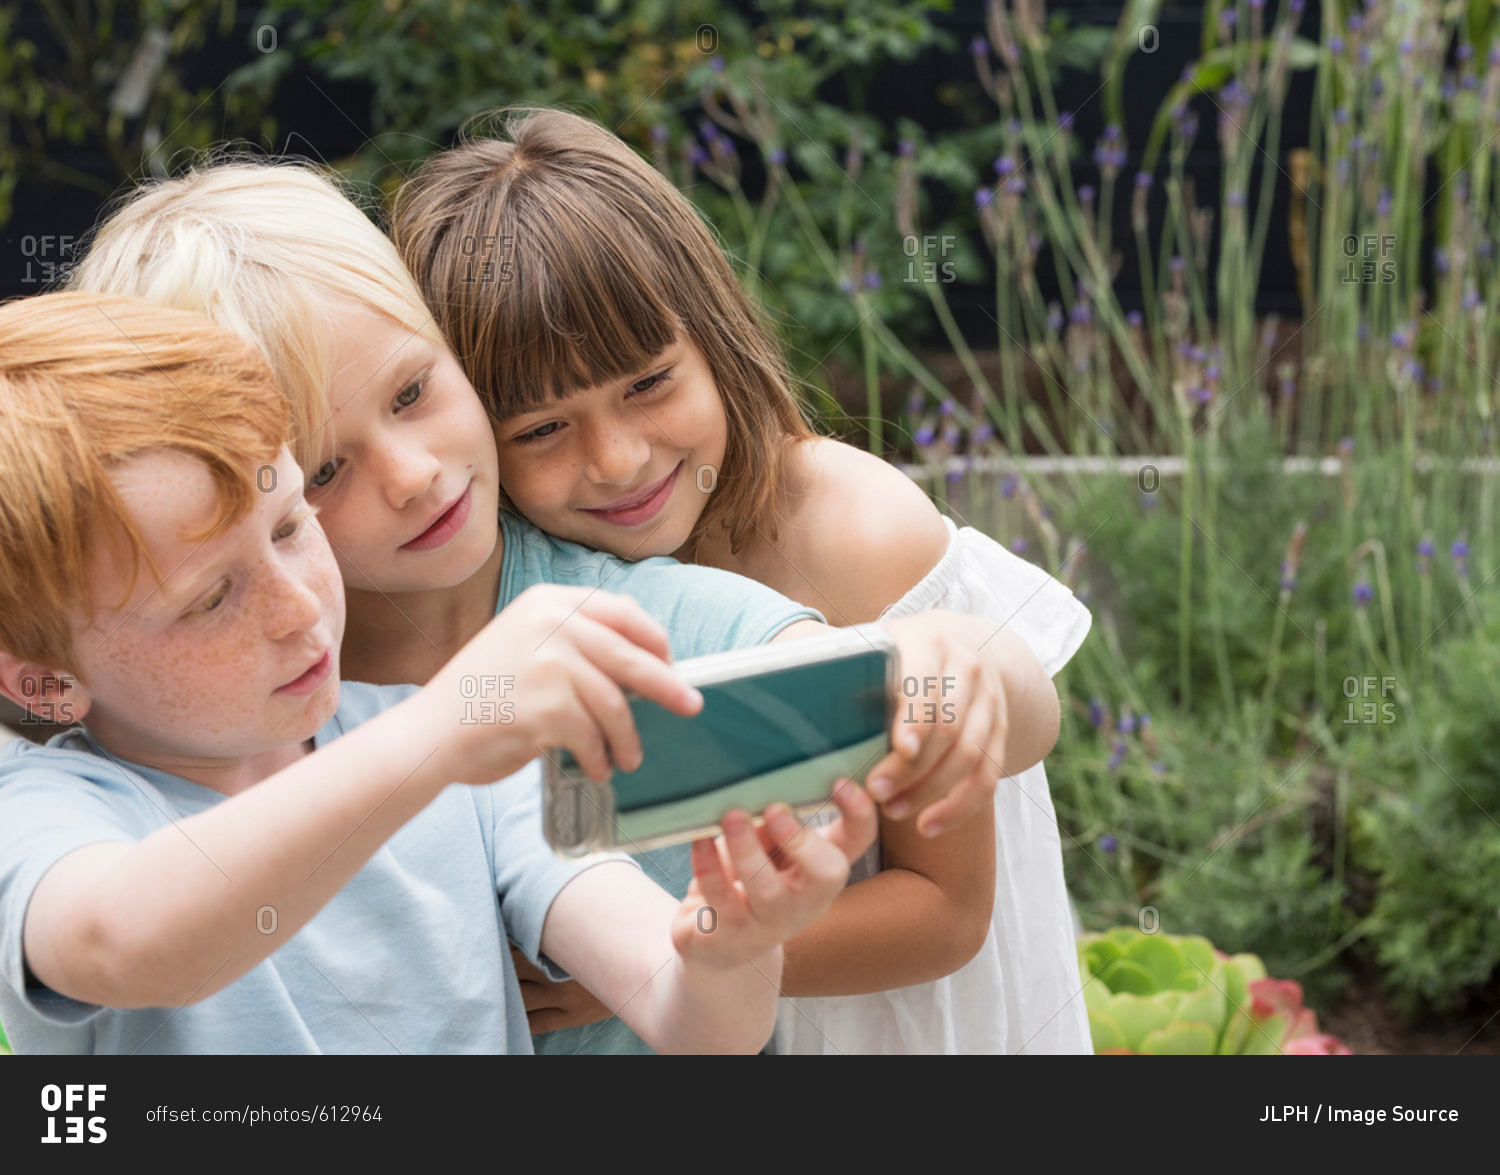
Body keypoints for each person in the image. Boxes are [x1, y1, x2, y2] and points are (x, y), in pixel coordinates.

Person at [69, 159, 1061, 1055]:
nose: (412, 477)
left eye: (413, 392)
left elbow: (939, 721)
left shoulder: (643, 627)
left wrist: (950, 650)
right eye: (325, 467)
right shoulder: (207, 720)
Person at [0, 292, 878, 1055]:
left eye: (286, 528)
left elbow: (697, 1024)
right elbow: (121, 943)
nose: (299, 607)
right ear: (41, 677)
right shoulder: (44, 811)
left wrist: (731, 946)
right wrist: (441, 732)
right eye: (207, 600)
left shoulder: (459, 764)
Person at [387, 107, 1094, 1055]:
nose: (620, 459)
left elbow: (946, 912)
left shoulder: (846, 530)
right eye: (543, 430)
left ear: (711, 335)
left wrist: (645, 973)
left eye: (648, 383)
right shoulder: (533, 581)